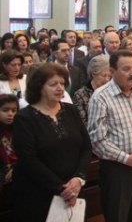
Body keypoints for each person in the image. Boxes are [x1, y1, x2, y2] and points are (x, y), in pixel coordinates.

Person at [12, 63, 92, 221]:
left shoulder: (70, 110)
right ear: (39, 87)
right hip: (38, 194)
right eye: (53, 84)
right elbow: (29, 160)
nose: (60, 88)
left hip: (73, 188)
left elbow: (86, 147)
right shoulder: (24, 118)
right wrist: (62, 189)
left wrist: (78, 178)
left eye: (62, 83)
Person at [87, 50, 132, 222]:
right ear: (112, 72)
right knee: (118, 215)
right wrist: (126, 159)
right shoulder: (100, 97)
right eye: (126, 69)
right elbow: (97, 141)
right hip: (116, 169)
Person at [72, 55, 111, 127]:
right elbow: (82, 123)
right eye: (104, 76)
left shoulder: (111, 92)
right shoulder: (80, 95)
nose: (107, 80)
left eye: (109, 76)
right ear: (93, 74)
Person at [0, 94, 18, 209]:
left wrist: (17, 168)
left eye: (14, 110)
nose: (10, 114)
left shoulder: (21, 129)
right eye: (5, 110)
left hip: (20, 175)